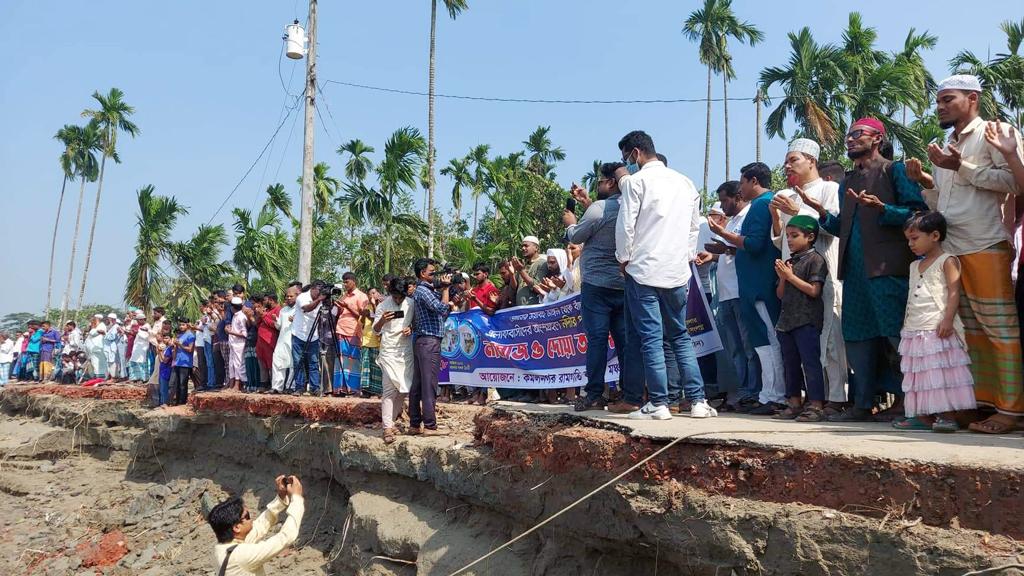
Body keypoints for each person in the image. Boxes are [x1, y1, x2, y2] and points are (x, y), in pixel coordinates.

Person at [906, 75, 1024, 434]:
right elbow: (944, 203)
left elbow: (1015, 184)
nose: (940, 106)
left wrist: (962, 168)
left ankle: (1011, 409)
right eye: (939, 101)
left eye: (948, 99)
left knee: (999, 329)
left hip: (985, 244)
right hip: (952, 249)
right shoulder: (947, 143)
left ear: (972, 98)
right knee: (966, 331)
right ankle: (980, 405)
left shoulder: (996, 132)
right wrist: (927, 180)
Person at [799, 117, 927, 422]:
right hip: (855, 273)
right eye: (849, 135)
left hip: (888, 269)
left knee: (896, 337)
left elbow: (918, 214)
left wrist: (883, 209)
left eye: (859, 134)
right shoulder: (848, 181)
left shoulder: (893, 171)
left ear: (878, 139)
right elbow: (844, 227)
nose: (851, 139)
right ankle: (863, 404)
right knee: (858, 338)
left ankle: (912, 404)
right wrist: (820, 213)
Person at [614, 129, 716, 420]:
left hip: (643, 270)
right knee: (680, 336)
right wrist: (685, 259)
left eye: (626, 157)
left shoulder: (635, 182)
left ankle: (658, 402)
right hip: (676, 271)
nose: (627, 162)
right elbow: (693, 229)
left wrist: (624, 259)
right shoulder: (686, 183)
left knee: (651, 338)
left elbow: (626, 227)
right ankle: (697, 400)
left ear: (635, 153)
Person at [769, 138, 848, 413]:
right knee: (799, 347)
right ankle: (804, 400)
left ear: (811, 161)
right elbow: (782, 240)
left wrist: (798, 211)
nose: (787, 165)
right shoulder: (786, 194)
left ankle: (836, 398)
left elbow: (833, 227)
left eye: (794, 160)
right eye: (786, 161)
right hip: (792, 276)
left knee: (829, 337)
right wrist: (777, 216)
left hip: (822, 267)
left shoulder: (829, 188)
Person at [565, 164, 644, 413]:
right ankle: (630, 394)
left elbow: (576, 236)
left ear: (611, 182)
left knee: (597, 340)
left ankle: (594, 394)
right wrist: (587, 202)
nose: (596, 185)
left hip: (597, 286)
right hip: (624, 283)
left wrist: (570, 222)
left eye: (600, 181)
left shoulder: (599, 209)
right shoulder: (635, 206)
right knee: (626, 342)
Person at [709, 162, 785, 415]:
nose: (740, 188)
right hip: (753, 285)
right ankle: (769, 394)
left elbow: (753, 244)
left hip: (759, 285)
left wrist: (723, 234)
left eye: (742, 182)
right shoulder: (762, 205)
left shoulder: (762, 205)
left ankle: (774, 395)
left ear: (753, 181)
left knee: (767, 340)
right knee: (761, 340)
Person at [891, 212, 976, 433]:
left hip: (936, 326)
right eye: (908, 239)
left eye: (915, 238)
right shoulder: (913, 266)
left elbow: (955, 291)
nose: (910, 244)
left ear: (935, 235)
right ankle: (922, 416)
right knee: (919, 373)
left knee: (939, 373)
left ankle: (947, 416)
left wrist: (948, 319)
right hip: (915, 327)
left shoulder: (947, 261)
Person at [698, 181, 760, 412]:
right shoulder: (733, 220)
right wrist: (712, 255)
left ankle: (754, 392)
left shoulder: (748, 217)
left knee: (748, 346)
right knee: (735, 348)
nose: (723, 206)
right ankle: (742, 392)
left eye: (725, 200)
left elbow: (747, 247)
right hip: (725, 293)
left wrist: (723, 241)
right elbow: (729, 253)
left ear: (737, 196)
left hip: (740, 291)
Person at [772, 215, 829, 422]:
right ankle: (794, 402)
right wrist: (782, 279)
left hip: (806, 319)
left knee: (810, 362)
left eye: (794, 236)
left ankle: (816, 405)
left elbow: (814, 291)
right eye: (788, 236)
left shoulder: (816, 260)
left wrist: (790, 277)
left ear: (810, 237)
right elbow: (780, 294)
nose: (790, 240)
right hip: (787, 320)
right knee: (790, 363)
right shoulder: (790, 261)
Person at [208, 475, 304, 576]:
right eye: (247, 516)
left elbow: (260, 526)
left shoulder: (223, 548)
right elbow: (285, 538)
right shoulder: (240, 556)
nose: (252, 519)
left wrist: (281, 497)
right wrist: (297, 498)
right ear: (236, 527)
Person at [409, 258, 453, 435]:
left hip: (423, 341)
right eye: (432, 273)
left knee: (418, 384)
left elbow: (441, 313)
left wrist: (445, 291)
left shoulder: (424, 291)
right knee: (429, 384)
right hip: (429, 341)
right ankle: (429, 425)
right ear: (422, 274)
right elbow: (441, 309)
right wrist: (446, 290)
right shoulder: (423, 290)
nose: (435, 276)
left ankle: (414, 424)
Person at [375, 277, 416, 444]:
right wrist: (383, 320)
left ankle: (390, 422)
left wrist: (410, 328)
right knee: (389, 390)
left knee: (404, 389)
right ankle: (387, 428)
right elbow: (376, 329)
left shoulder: (411, 304)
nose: (398, 300)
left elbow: (415, 323)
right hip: (388, 352)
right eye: (395, 297)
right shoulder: (383, 306)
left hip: (405, 352)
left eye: (400, 297)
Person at [334, 272, 368, 397]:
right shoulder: (344, 296)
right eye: (343, 282)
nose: (345, 284)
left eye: (347, 281)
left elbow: (362, 315)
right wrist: (338, 307)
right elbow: (340, 312)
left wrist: (347, 306)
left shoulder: (361, 296)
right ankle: (341, 388)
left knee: (353, 361)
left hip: (353, 331)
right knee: (341, 360)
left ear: (354, 281)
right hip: (341, 330)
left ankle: (353, 389)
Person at [291, 282, 326, 395]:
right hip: (298, 335)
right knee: (298, 362)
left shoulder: (321, 301)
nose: (320, 294)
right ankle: (299, 387)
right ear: (313, 288)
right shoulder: (302, 297)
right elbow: (307, 308)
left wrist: (325, 300)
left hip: (313, 336)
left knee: (314, 363)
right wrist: (319, 299)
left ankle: (314, 388)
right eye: (319, 291)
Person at [271, 285, 299, 394]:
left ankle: (290, 386)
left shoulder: (300, 309)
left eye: (291, 296)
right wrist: (275, 321)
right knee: (277, 362)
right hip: (282, 340)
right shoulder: (283, 310)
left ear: (297, 296)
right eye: (287, 296)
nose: (288, 298)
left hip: (293, 339)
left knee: (292, 364)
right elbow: (279, 326)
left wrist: (295, 321)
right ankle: (277, 387)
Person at [359, 287, 384, 398]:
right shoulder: (367, 307)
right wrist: (364, 315)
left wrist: (374, 307)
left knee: (377, 367)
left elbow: (379, 321)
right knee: (366, 367)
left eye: (374, 293)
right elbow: (362, 323)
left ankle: (377, 391)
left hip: (378, 341)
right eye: (370, 294)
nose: (372, 295)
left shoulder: (382, 306)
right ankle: (366, 390)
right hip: (366, 340)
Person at [256, 293, 281, 392]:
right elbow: (257, 324)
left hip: (269, 340)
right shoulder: (267, 310)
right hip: (260, 340)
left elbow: (275, 325)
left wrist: (264, 316)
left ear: (271, 300)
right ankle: (263, 383)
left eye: (266, 300)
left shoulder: (278, 310)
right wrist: (260, 315)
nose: (264, 302)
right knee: (262, 362)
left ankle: (272, 384)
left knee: (270, 363)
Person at [511, 236, 547, 306]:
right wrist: (511, 273)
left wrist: (521, 270)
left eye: (526, 246)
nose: (523, 248)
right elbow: (514, 288)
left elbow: (537, 286)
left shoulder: (543, 264)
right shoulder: (523, 265)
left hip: (534, 309)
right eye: (522, 246)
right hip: (521, 309)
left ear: (536, 248)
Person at [225, 297, 248, 392]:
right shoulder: (235, 316)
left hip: (239, 344)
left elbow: (244, 334)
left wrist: (230, 332)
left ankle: (238, 385)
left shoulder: (241, 317)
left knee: (239, 364)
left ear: (232, 307)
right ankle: (232, 384)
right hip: (233, 343)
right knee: (232, 363)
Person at [129, 313, 151, 384]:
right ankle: (135, 377)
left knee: (141, 362)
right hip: (137, 347)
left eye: (138, 320)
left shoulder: (147, 326)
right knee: (134, 361)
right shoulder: (140, 326)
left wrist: (138, 332)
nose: (137, 322)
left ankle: (143, 378)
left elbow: (146, 337)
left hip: (143, 347)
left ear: (142, 319)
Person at [85, 315, 107, 379]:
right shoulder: (95, 327)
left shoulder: (101, 326)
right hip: (93, 350)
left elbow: (94, 333)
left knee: (98, 364)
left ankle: (100, 378)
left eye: (94, 320)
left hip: (98, 349)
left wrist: (95, 330)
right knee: (95, 364)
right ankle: (97, 377)